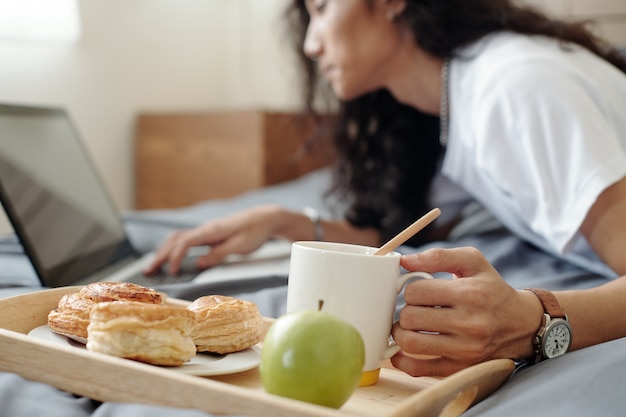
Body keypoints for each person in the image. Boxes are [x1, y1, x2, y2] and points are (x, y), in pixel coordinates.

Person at [145, 0, 626, 377]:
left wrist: (533, 321)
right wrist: (283, 221)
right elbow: (396, 234)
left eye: (322, 7)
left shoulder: (513, 88)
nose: (311, 44)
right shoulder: (451, 99)